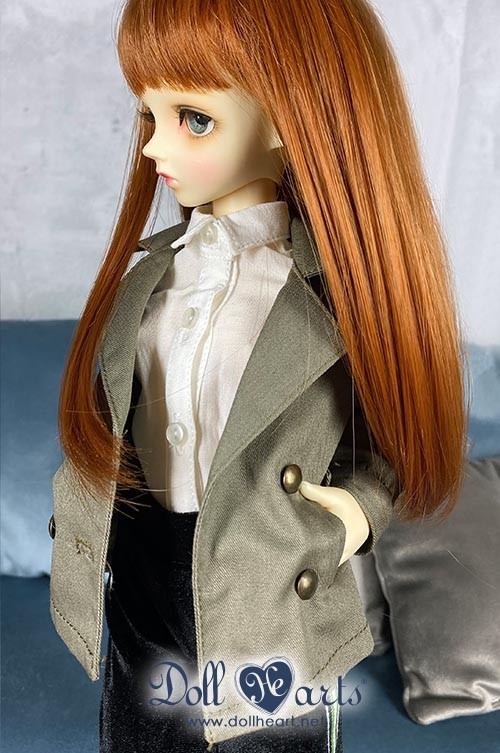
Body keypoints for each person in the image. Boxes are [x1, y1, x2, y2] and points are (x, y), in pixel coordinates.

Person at [49, 1, 470, 750]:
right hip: (140, 598)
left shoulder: (336, 298)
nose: (155, 146)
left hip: (268, 596)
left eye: (194, 119)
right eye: (149, 115)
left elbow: (396, 439)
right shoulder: (149, 278)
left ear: (285, 115)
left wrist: (356, 513)